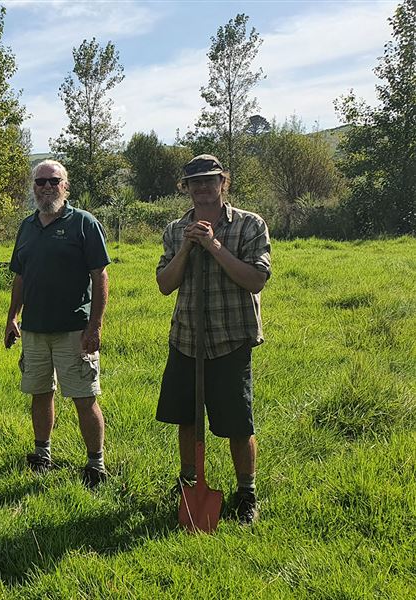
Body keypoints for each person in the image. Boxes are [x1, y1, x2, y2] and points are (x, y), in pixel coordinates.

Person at [155, 154, 271, 525]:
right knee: (187, 418)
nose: (203, 188)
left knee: (238, 423)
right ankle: (189, 480)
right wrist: (188, 248)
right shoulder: (176, 230)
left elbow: (255, 280)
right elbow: (164, 284)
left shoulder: (250, 225)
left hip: (230, 340)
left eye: (210, 180)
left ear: (225, 182)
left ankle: (246, 493)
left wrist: (214, 246)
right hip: (186, 337)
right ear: (185, 188)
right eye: (195, 182)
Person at [4, 160, 111, 487]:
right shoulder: (27, 227)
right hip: (35, 330)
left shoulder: (83, 223)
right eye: (41, 182)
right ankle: (42, 454)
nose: (47, 187)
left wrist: (95, 326)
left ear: (65, 186)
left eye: (54, 181)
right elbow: (20, 276)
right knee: (40, 393)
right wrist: (12, 317)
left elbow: (100, 275)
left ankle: (96, 464)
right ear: (33, 187)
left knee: (84, 397)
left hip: (74, 331)